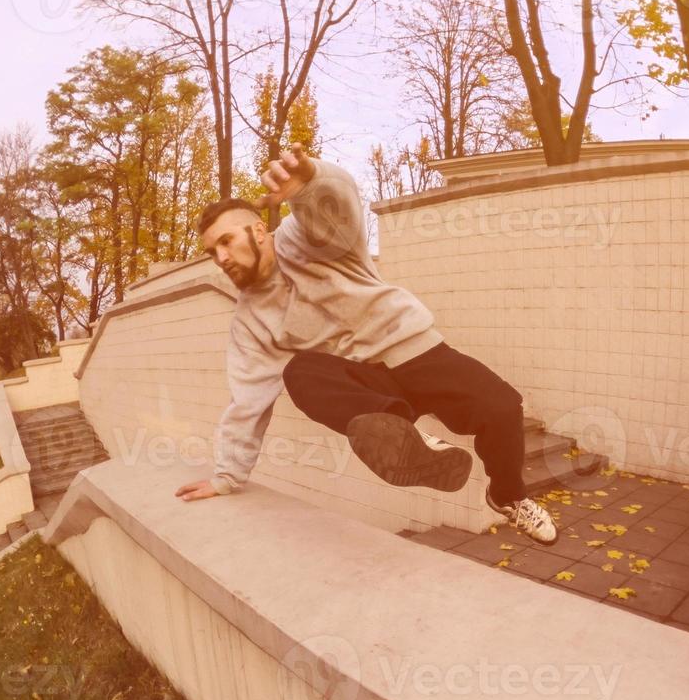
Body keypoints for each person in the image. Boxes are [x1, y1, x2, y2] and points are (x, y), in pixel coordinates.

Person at [173, 143, 557, 546]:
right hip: (370, 386)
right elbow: (247, 402)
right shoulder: (250, 322)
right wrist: (227, 477)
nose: (220, 258)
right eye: (212, 251)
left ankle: (508, 497)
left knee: (503, 407)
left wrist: (311, 181)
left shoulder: (305, 239)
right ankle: (404, 436)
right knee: (299, 372)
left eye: (226, 242)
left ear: (256, 232)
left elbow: (337, 207)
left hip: (415, 352)